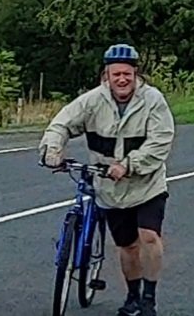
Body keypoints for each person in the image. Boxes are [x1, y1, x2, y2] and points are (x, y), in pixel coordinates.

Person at [38, 43, 176, 316]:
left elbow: (161, 141)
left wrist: (128, 165)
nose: (122, 79)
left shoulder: (153, 100)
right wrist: (52, 149)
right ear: (106, 76)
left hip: (146, 184)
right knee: (126, 245)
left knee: (148, 237)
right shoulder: (91, 101)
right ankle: (132, 296)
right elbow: (61, 123)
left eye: (127, 74)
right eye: (116, 75)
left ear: (136, 74)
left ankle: (149, 298)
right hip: (109, 187)